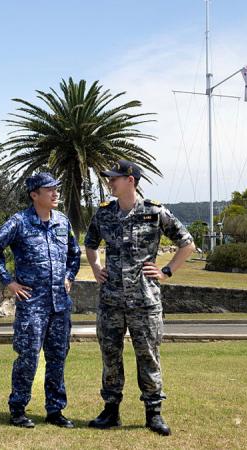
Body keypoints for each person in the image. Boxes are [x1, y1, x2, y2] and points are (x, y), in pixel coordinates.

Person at [84, 160, 194, 436]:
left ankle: (153, 413)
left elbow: (187, 243)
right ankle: (111, 411)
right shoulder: (104, 214)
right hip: (111, 300)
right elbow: (90, 242)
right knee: (110, 356)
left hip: (144, 300)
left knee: (148, 356)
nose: (110, 182)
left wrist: (166, 270)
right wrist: (96, 267)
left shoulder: (154, 212)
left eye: (114, 179)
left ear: (130, 180)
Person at [0, 173, 81, 429]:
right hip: (32, 305)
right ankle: (18, 408)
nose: (55, 194)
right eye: (49, 190)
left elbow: (74, 255)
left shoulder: (63, 222)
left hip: (59, 305)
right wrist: (8, 281)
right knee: (28, 356)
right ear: (34, 194)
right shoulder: (19, 222)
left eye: (57, 189)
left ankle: (55, 410)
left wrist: (69, 276)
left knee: (57, 357)